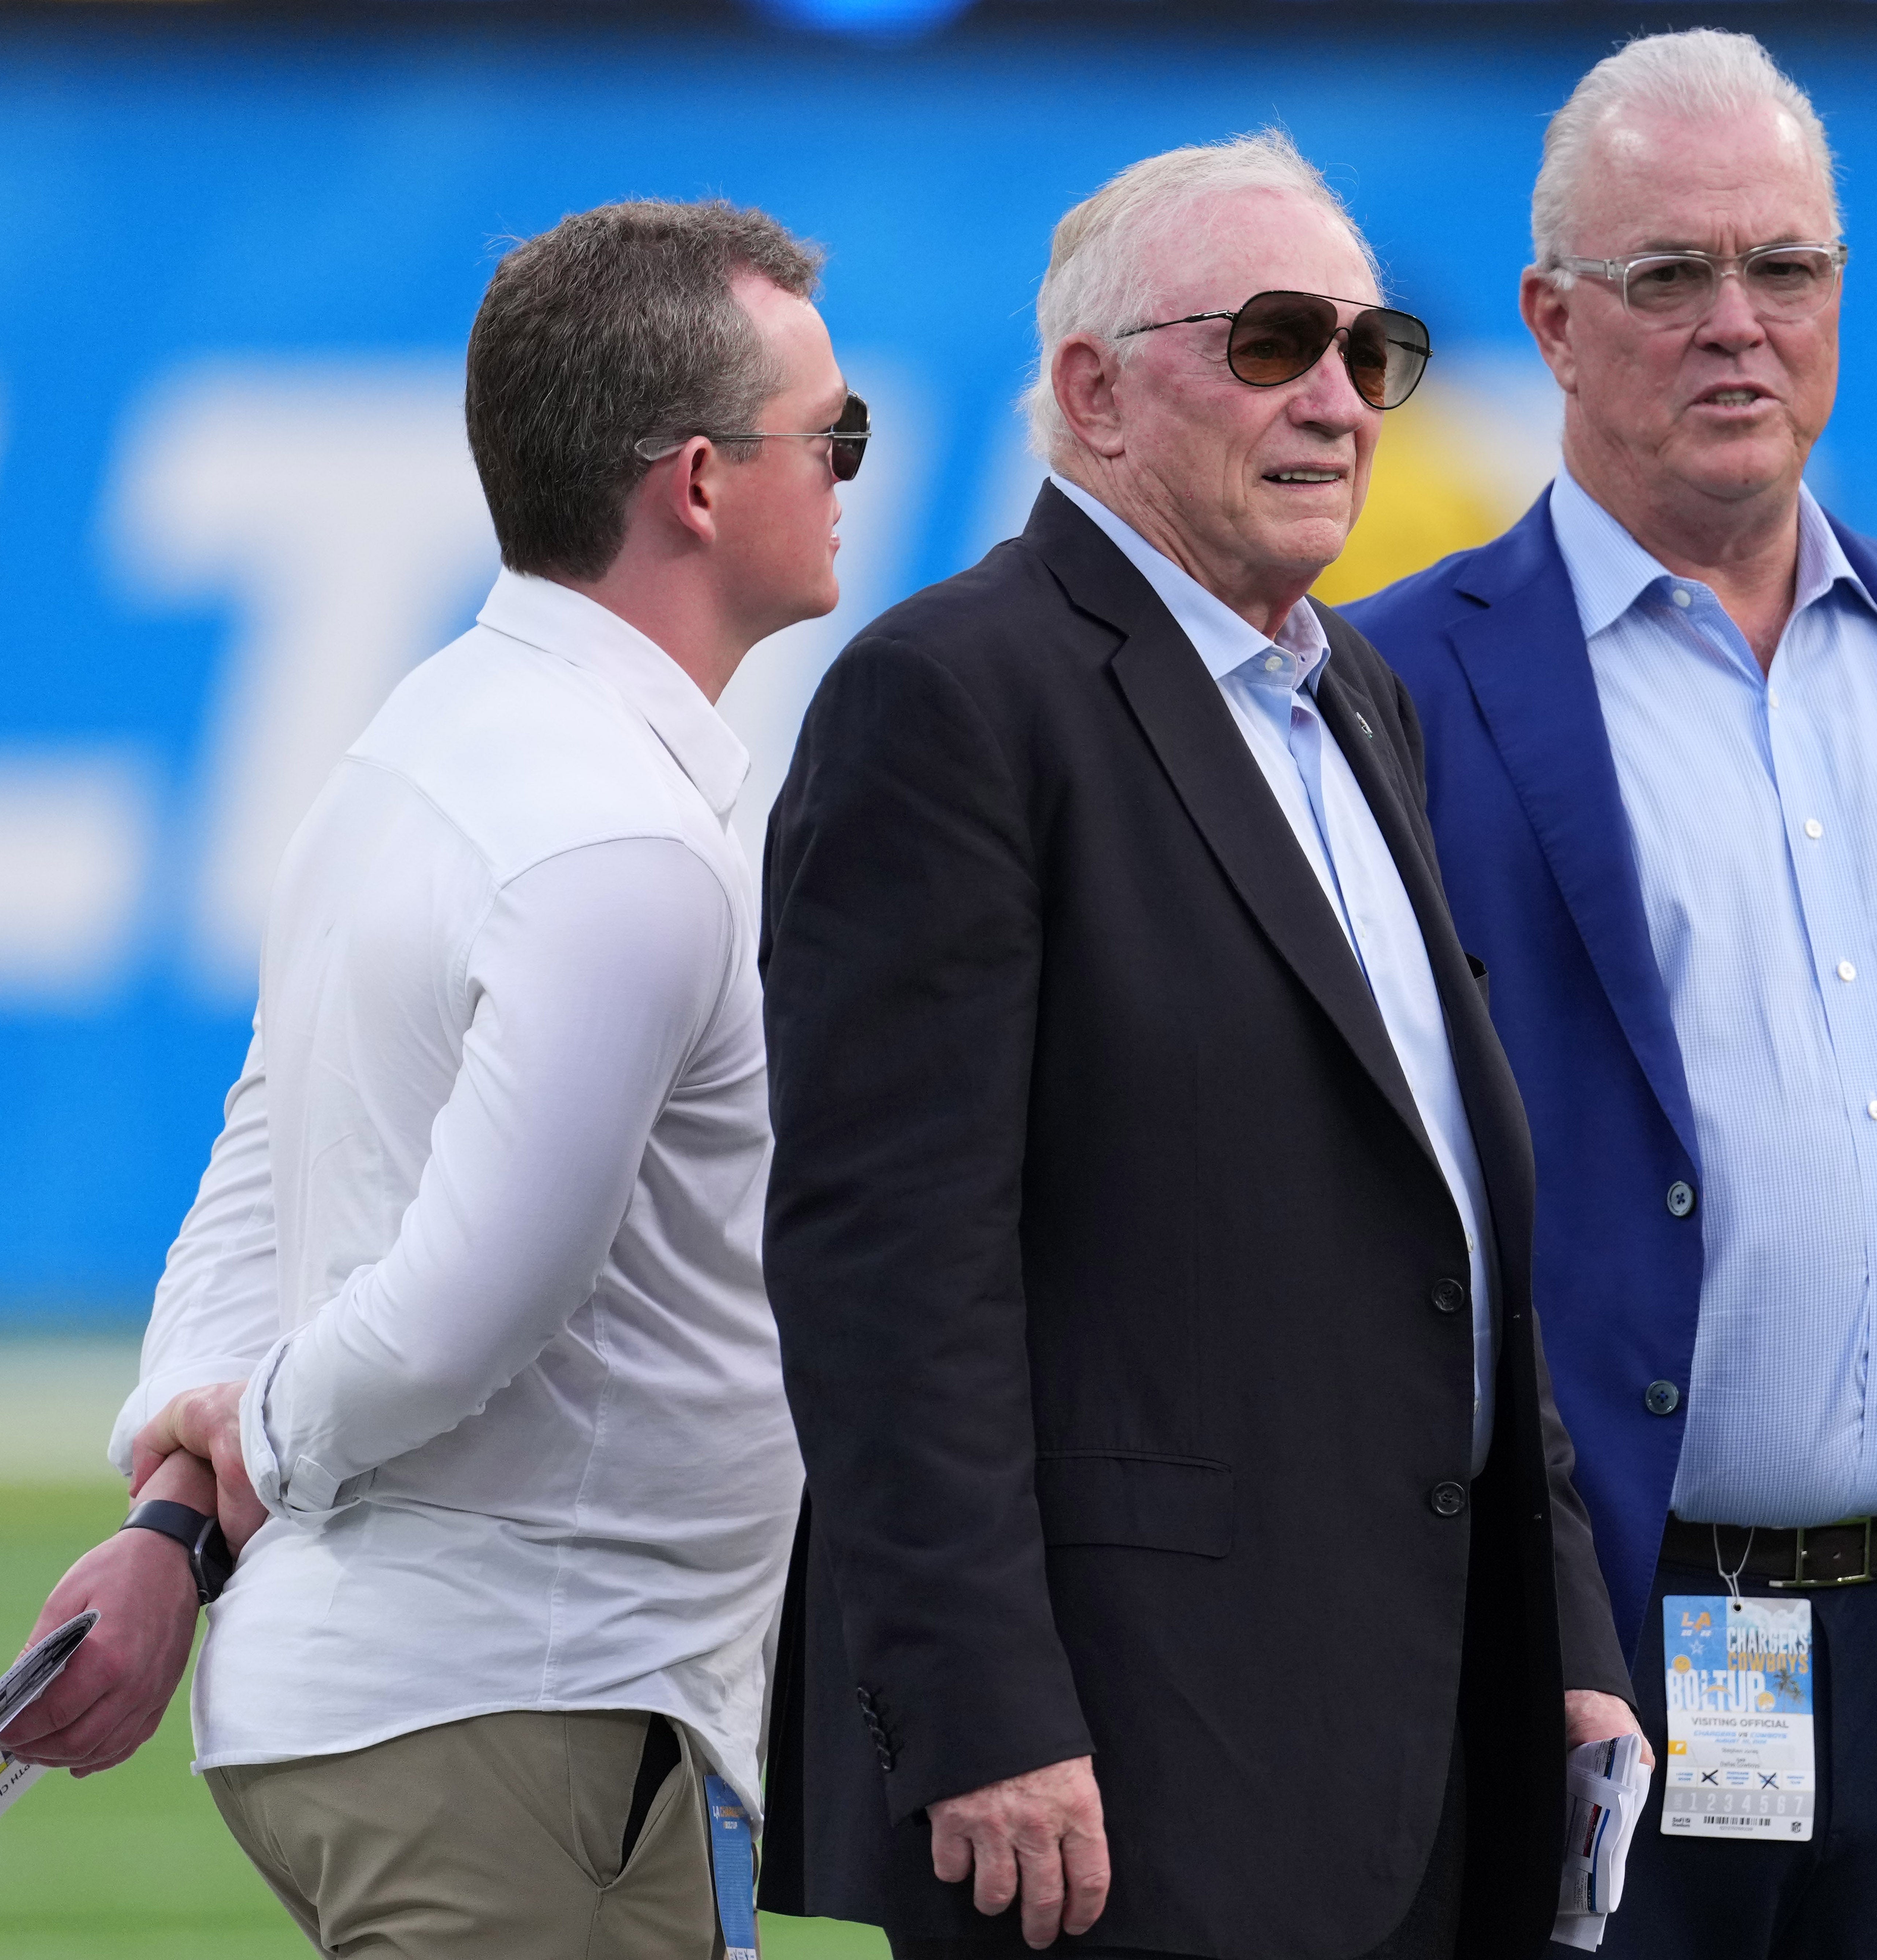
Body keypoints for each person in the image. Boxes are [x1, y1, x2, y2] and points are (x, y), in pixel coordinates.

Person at [1342, 32, 1877, 1957]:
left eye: (1786, 268)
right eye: (1670, 277)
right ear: (1552, 323)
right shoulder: (1387, 690)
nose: (1737, 322)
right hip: (1596, 1660)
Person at [754, 130, 1641, 1960]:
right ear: (1092, 391)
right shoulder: (951, 697)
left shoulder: (1355, 700)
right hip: (1119, 1778)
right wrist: (982, 1707)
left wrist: (1563, 1638)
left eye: (1371, 353)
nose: (1338, 398)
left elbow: (1448, 1229)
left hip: (1410, 1749)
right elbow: (887, 1272)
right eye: (1271, 343)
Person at [3, 196, 859, 1957]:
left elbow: (256, 1172)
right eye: (828, 433)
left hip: (402, 1711)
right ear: (697, 483)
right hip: (528, 1718)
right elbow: (478, 1299)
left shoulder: (411, 753)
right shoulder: (618, 837)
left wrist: (181, 1512)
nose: (850, 467)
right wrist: (255, 1453)